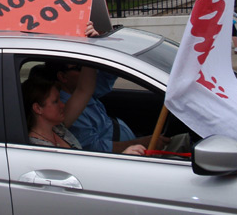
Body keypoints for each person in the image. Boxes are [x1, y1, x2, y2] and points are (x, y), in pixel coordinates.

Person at [22, 22, 146, 155]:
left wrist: (91, 44)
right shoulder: (38, 149)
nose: (63, 104)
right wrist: (125, 156)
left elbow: (84, 89)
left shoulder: (59, 129)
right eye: (56, 101)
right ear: (38, 108)